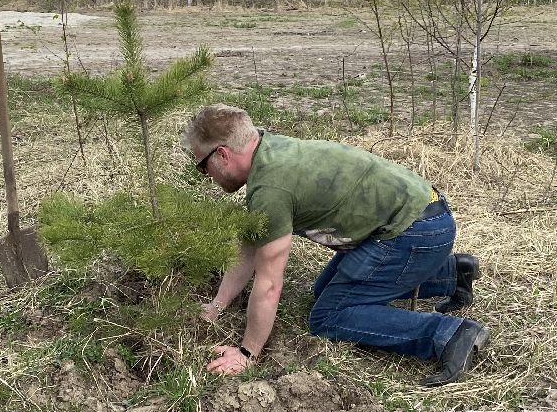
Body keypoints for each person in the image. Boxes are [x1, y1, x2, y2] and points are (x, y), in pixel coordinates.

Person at [184, 104, 488, 386]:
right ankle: (451, 275)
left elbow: (269, 285)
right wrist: (216, 306)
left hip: (415, 233)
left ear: (222, 154)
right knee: (324, 293)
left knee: (329, 315)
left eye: (202, 165)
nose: (205, 175)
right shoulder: (268, 151)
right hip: (423, 218)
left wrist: (247, 353)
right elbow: (249, 248)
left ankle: (450, 335)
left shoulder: (270, 190)